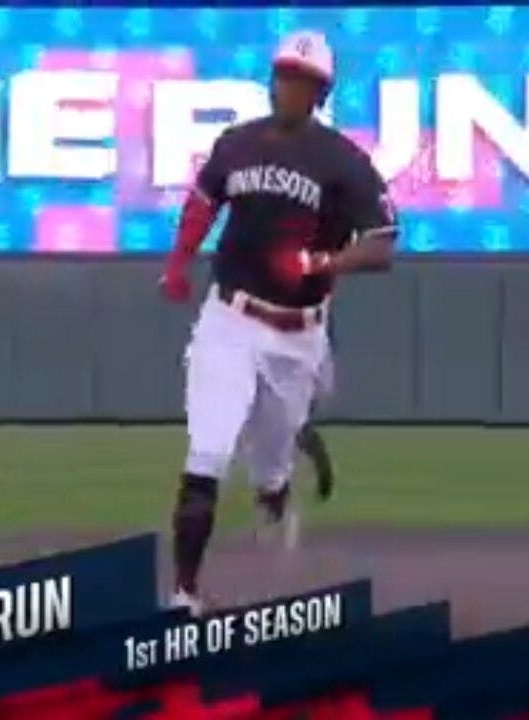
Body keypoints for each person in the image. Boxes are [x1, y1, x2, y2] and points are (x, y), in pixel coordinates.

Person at [157, 29, 400, 616]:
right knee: (208, 452)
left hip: (299, 334)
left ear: (320, 93)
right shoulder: (236, 144)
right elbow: (202, 203)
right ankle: (184, 592)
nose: (288, 87)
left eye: (302, 81)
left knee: (269, 466)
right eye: (282, 75)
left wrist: (322, 261)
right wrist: (178, 264)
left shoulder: (343, 161)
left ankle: (275, 488)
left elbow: (385, 243)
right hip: (231, 318)